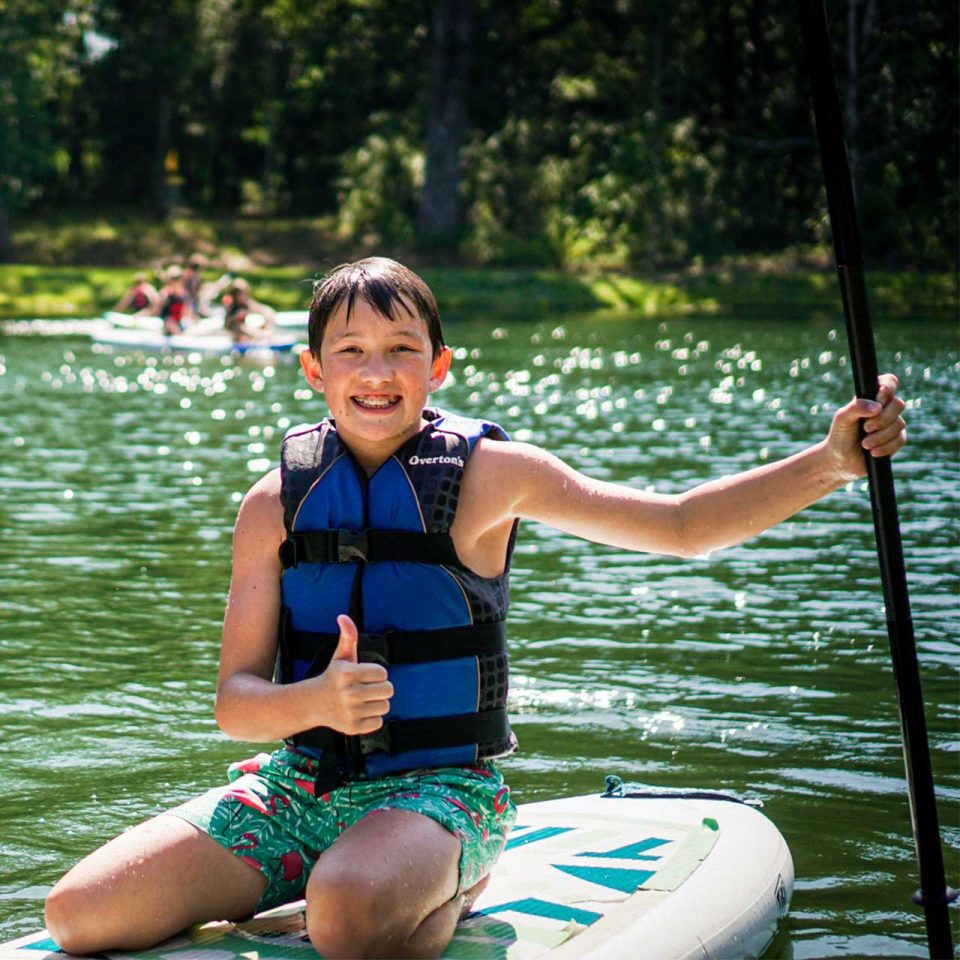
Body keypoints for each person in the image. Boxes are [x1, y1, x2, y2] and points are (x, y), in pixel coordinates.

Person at [44, 257, 908, 959]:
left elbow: (680, 527)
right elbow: (235, 703)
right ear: (313, 370)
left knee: (343, 917)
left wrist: (830, 464)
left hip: (442, 790)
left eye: (402, 348)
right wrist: (316, 703)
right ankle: (322, 878)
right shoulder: (271, 504)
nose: (377, 373)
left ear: (439, 364)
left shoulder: (497, 477)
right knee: (79, 914)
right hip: (297, 788)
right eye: (351, 351)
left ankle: (450, 882)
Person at [222, 277, 276, 343]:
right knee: (240, 327)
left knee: (260, 322)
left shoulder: (249, 304)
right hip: (237, 331)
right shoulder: (231, 305)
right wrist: (235, 317)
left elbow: (266, 311)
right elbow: (227, 323)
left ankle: (266, 336)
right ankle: (260, 335)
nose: (240, 297)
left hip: (252, 329)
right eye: (237, 294)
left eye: (242, 294)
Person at [153, 265, 195, 335]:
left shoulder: (183, 294)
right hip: (167, 321)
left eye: (178, 279)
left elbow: (187, 311)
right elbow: (157, 311)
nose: (177, 281)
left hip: (178, 321)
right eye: (174, 279)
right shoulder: (165, 293)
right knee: (172, 325)